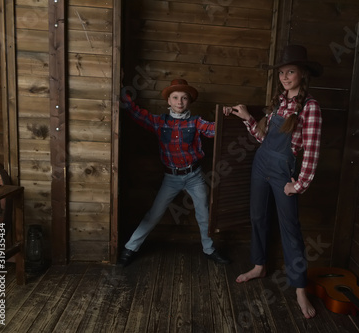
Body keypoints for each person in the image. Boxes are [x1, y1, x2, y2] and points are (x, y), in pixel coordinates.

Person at [223, 45, 323, 318]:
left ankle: (300, 289)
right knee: (257, 217)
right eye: (281, 73)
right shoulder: (279, 102)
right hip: (261, 164)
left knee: (290, 228)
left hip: (282, 171)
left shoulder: (310, 107)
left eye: (290, 72)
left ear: (302, 73)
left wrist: (299, 185)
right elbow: (262, 139)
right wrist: (247, 119)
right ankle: (259, 265)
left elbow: (312, 152)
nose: (285, 77)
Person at [118, 78, 230, 267]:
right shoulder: (159, 122)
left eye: (184, 98)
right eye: (175, 97)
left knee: (204, 213)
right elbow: (136, 113)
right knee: (154, 214)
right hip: (171, 178)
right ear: (168, 101)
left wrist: (226, 115)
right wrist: (123, 91)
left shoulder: (196, 122)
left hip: (194, 176)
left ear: (189, 102)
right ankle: (130, 249)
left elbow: (213, 129)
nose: (180, 102)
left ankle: (209, 249)